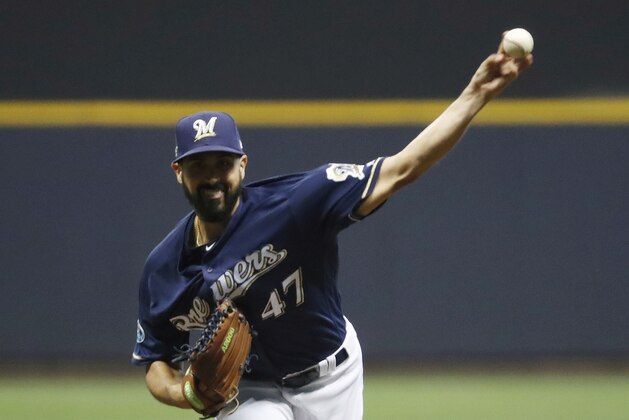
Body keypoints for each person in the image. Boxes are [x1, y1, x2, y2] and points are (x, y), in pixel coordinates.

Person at [132, 40, 532, 419]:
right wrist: (182, 392)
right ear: (178, 172)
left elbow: (400, 169)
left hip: (332, 378)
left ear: (243, 165)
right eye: (199, 166)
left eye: (222, 164)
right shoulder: (163, 269)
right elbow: (156, 358)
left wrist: (475, 94)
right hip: (251, 391)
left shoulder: (293, 205)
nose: (212, 177)